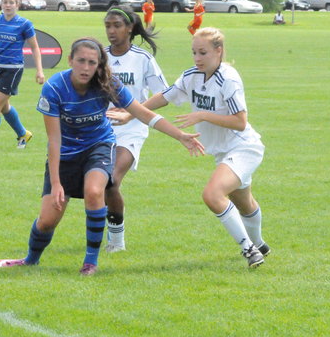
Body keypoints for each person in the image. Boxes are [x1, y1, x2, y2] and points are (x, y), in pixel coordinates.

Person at [0, 38, 204, 276]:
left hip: (99, 146)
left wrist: (180, 136)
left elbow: (143, 113)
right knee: (47, 220)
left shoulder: (107, 83)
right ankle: (30, 260)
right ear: (70, 60)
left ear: (99, 65)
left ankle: (90, 263)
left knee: (94, 192)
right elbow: (54, 140)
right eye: (81, 61)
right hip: (65, 154)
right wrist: (56, 183)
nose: (86, 67)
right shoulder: (54, 88)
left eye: (92, 63)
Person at [110, 27, 268, 268]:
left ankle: (250, 251)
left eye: (203, 53)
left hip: (244, 147)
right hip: (223, 152)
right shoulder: (191, 76)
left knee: (212, 195)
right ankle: (260, 244)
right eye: (194, 52)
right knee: (245, 203)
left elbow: (240, 121)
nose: (197, 58)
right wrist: (130, 114)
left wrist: (203, 115)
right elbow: (163, 97)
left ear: (219, 51)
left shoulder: (228, 78)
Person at [102, 6, 169, 252]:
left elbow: (164, 94)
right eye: (108, 26)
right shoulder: (99, 56)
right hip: (100, 129)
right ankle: (96, 234)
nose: (111, 31)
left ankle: (116, 241)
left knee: (111, 181)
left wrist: (132, 113)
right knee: (95, 185)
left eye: (117, 25)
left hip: (132, 129)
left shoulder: (143, 59)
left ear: (130, 28)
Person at [0, 0, 45, 151]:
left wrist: (39, 71)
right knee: (4, 106)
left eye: (11, 3)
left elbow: (35, 48)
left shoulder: (24, 24)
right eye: (5, 2)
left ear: (17, 5)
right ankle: (23, 134)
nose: (7, 5)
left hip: (12, 70)